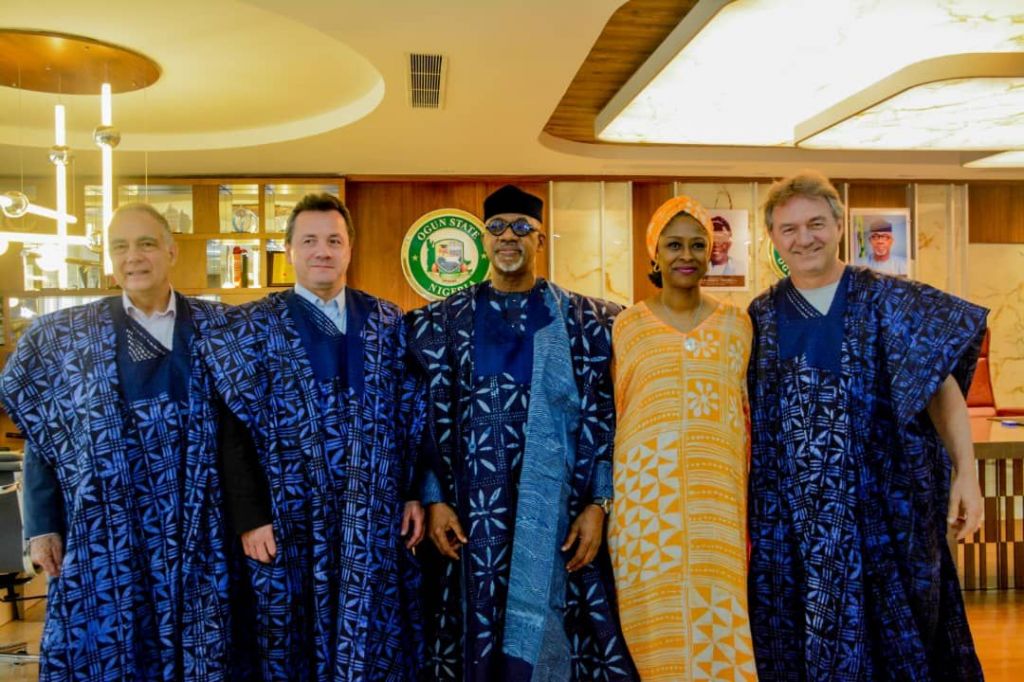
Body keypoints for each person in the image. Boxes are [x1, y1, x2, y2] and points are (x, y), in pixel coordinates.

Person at [747, 171, 986, 679]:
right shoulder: (760, 316)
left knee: (898, 649)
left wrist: (967, 474)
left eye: (815, 223)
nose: (803, 238)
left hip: (882, 517)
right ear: (772, 239)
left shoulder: (890, 300)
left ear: (838, 226)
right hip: (793, 527)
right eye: (788, 229)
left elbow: (940, 389)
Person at [408, 185, 637, 681]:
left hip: (559, 516)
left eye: (521, 228)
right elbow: (419, 415)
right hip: (472, 521)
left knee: (559, 631)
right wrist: (434, 499)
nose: (508, 237)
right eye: (496, 228)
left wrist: (599, 505)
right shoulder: (439, 323)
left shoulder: (589, 322)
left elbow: (605, 416)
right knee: (475, 633)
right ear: (483, 241)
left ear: (540, 239)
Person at [0, 204, 235, 680]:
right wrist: (42, 526)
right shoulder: (64, 338)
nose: (134, 257)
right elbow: (46, 436)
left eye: (146, 243)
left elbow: (249, 435)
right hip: (104, 534)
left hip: (201, 533)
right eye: (120, 246)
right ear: (109, 259)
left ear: (171, 250)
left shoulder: (222, 329)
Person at [200, 193, 426, 679]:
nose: (322, 250)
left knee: (373, 634)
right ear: (289, 250)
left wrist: (413, 493)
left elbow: (414, 414)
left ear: (350, 250)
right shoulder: (253, 326)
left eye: (333, 240)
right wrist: (250, 516)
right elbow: (233, 428)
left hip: (371, 514)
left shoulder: (388, 322)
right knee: (288, 637)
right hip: (287, 515)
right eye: (309, 241)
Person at [608, 196, 756, 680]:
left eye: (698, 245)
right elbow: (616, 413)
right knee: (654, 634)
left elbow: (747, 415)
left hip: (717, 506)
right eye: (673, 245)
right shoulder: (626, 327)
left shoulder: (738, 325)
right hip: (648, 513)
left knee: (721, 626)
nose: (686, 255)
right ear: (654, 254)